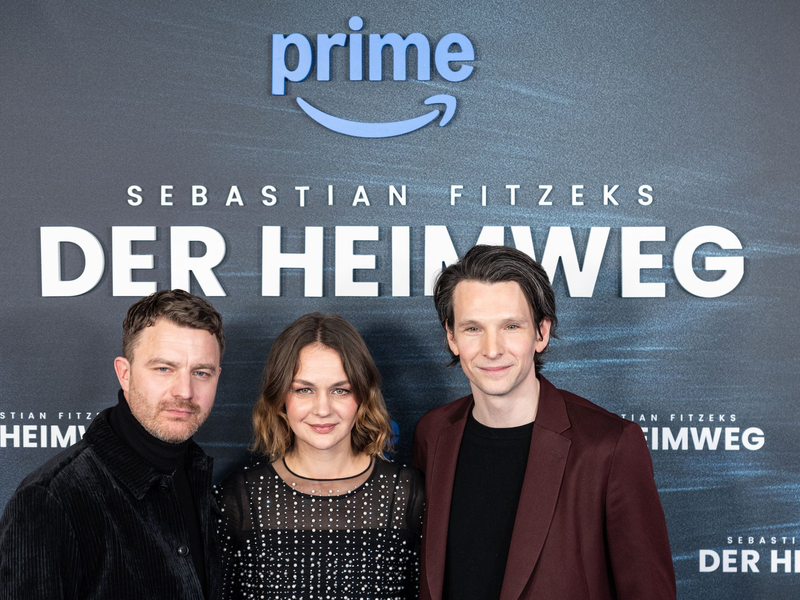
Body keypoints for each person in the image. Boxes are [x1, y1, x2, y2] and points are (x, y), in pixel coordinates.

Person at [413, 245, 676, 600]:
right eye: (473, 328)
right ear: (451, 337)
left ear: (541, 333)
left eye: (510, 326)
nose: (492, 349)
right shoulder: (433, 433)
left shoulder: (608, 445)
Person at [0, 289, 225, 600]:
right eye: (164, 369)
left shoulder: (196, 476)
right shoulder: (52, 498)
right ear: (125, 373)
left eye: (201, 372)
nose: (185, 391)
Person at [215, 313, 424, 600]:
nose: (323, 409)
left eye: (340, 390)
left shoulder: (407, 492)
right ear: (280, 398)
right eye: (304, 390)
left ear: (362, 396)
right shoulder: (239, 495)